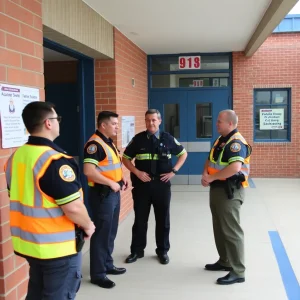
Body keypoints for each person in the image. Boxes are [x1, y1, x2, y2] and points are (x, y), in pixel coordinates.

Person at [4, 101, 95, 300]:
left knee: (36, 293)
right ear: (48, 123)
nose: (58, 123)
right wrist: (88, 225)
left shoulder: (16, 157)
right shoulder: (54, 161)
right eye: (57, 119)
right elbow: (72, 208)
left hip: (30, 245)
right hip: (57, 248)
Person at [122, 109, 187, 265]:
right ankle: (137, 251)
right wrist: (137, 172)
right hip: (142, 186)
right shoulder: (138, 139)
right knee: (140, 220)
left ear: (159, 121)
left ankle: (162, 251)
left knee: (163, 220)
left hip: (162, 185)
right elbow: (125, 158)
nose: (150, 123)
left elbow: (183, 154)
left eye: (153, 120)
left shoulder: (168, 138)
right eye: (147, 120)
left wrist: (174, 171)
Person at [201, 109, 251, 285]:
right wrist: (205, 174)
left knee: (231, 231)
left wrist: (212, 177)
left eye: (219, 121)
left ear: (230, 123)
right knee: (220, 228)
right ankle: (225, 261)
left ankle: (238, 271)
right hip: (217, 189)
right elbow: (210, 159)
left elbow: (235, 168)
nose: (216, 124)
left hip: (229, 192)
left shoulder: (235, 143)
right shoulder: (220, 140)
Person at [83, 111, 128, 289]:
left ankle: (107, 264)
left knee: (110, 232)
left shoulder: (108, 142)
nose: (117, 127)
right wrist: (111, 183)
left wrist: (122, 177)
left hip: (113, 192)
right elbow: (88, 171)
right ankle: (98, 274)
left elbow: (112, 166)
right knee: (102, 233)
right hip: (103, 194)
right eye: (114, 124)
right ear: (103, 125)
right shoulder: (94, 144)